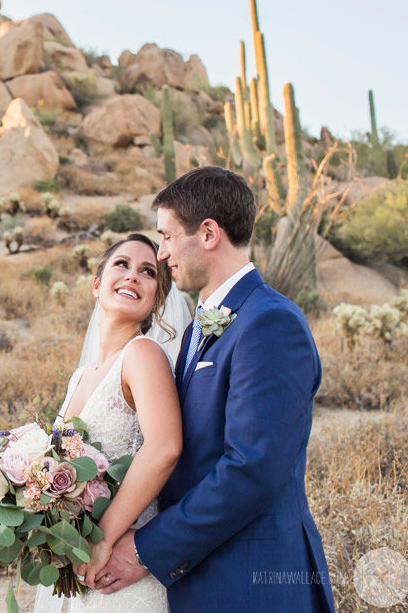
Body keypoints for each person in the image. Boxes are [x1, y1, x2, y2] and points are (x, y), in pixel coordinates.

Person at [90, 167, 335, 612]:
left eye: (166, 237)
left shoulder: (270, 323)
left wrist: (144, 548)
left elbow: (251, 469)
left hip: (252, 584)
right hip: (201, 576)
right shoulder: (201, 326)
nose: (162, 254)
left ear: (207, 234)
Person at [33, 233, 182, 613]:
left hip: (116, 570)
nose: (132, 276)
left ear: (157, 299)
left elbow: (164, 448)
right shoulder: (80, 376)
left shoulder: (143, 355)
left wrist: (102, 540)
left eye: (148, 272)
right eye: (122, 264)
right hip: (76, 566)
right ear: (96, 285)